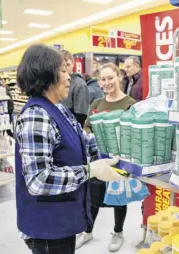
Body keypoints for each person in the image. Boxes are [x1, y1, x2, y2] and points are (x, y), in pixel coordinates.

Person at [15, 44, 123, 254]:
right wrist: (90, 170)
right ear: (46, 75)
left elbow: (84, 141)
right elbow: (39, 180)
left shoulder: (59, 109)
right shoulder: (37, 115)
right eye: (63, 71)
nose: (69, 77)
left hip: (62, 219)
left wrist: (118, 152)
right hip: (47, 227)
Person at [80, 63, 137, 252]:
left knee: (118, 197)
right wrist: (92, 136)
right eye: (103, 79)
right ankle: (87, 231)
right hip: (98, 157)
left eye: (110, 78)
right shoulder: (97, 104)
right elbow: (87, 126)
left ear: (119, 77)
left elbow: (133, 132)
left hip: (120, 160)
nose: (106, 83)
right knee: (94, 195)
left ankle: (118, 232)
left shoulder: (130, 104)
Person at [60, 50, 90, 127]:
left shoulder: (79, 85)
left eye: (68, 64)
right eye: (62, 65)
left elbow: (81, 115)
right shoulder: (56, 83)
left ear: (73, 64)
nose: (65, 68)